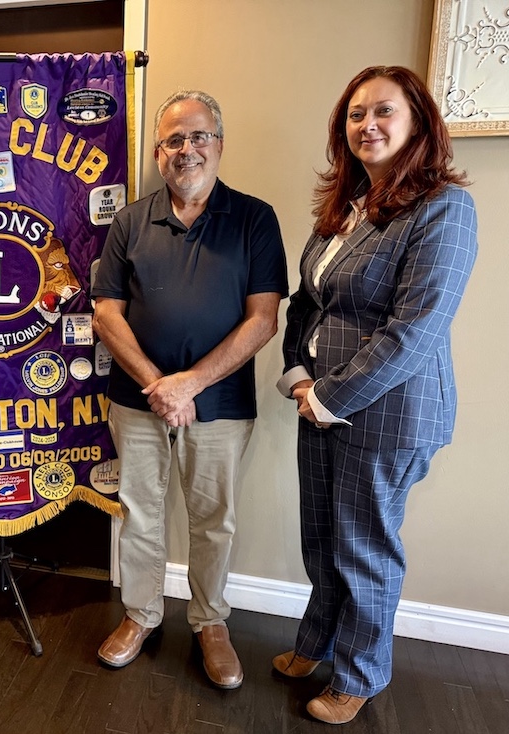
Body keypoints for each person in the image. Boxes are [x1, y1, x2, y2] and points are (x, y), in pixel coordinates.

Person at [274, 66, 477, 724]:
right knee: (321, 539)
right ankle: (317, 642)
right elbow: (308, 301)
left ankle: (359, 674)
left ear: (418, 121)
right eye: (356, 114)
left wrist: (329, 396)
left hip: (388, 413)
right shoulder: (346, 206)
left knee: (362, 548)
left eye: (383, 111)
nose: (367, 125)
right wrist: (297, 375)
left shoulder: (444, 207)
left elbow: (416, 330)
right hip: (318, 401)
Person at [91, 90, 288, 687]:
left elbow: (263, 319)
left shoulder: (254, 218)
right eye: (173, 140)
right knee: (139, 512)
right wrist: (159, 385)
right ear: (159, 154)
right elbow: (105, 313)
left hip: (221, 402)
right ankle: (141, 614)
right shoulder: (130, 221)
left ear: (219, 144)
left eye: (199, 136)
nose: (187, 149)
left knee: (214, 518)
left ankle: (210, 622)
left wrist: (191, 384)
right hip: (138, 400)